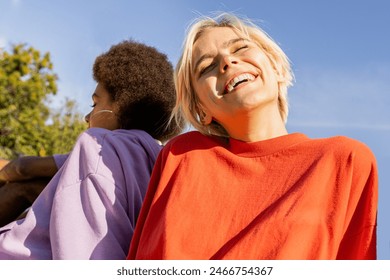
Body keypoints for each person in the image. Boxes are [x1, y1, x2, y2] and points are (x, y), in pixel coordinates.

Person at [127, 13, 378, 260]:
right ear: (201, 110)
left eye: (240, 48)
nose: (227, 61)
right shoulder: (183, 155)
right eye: (206, 67)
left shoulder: (345, 160)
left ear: (276, 67)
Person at [0, 39, 181, 259]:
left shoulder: (99, 146)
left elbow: (22, 168)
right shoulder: (156, 157)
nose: (87, 117)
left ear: (122, 105)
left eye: (94, 104)